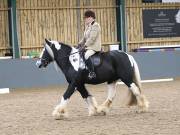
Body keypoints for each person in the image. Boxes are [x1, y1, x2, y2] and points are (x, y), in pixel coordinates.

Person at [78, 10, 102, 79]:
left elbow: (92, 38)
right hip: (89, 46)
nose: (84, 19)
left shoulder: (96, 25)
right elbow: (84, 38)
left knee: (86, 55)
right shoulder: (88, 26)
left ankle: (92, 72)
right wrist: (79, 44)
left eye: (85, 18)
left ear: (90, 17)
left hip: (94, 47)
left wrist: (85, 46)